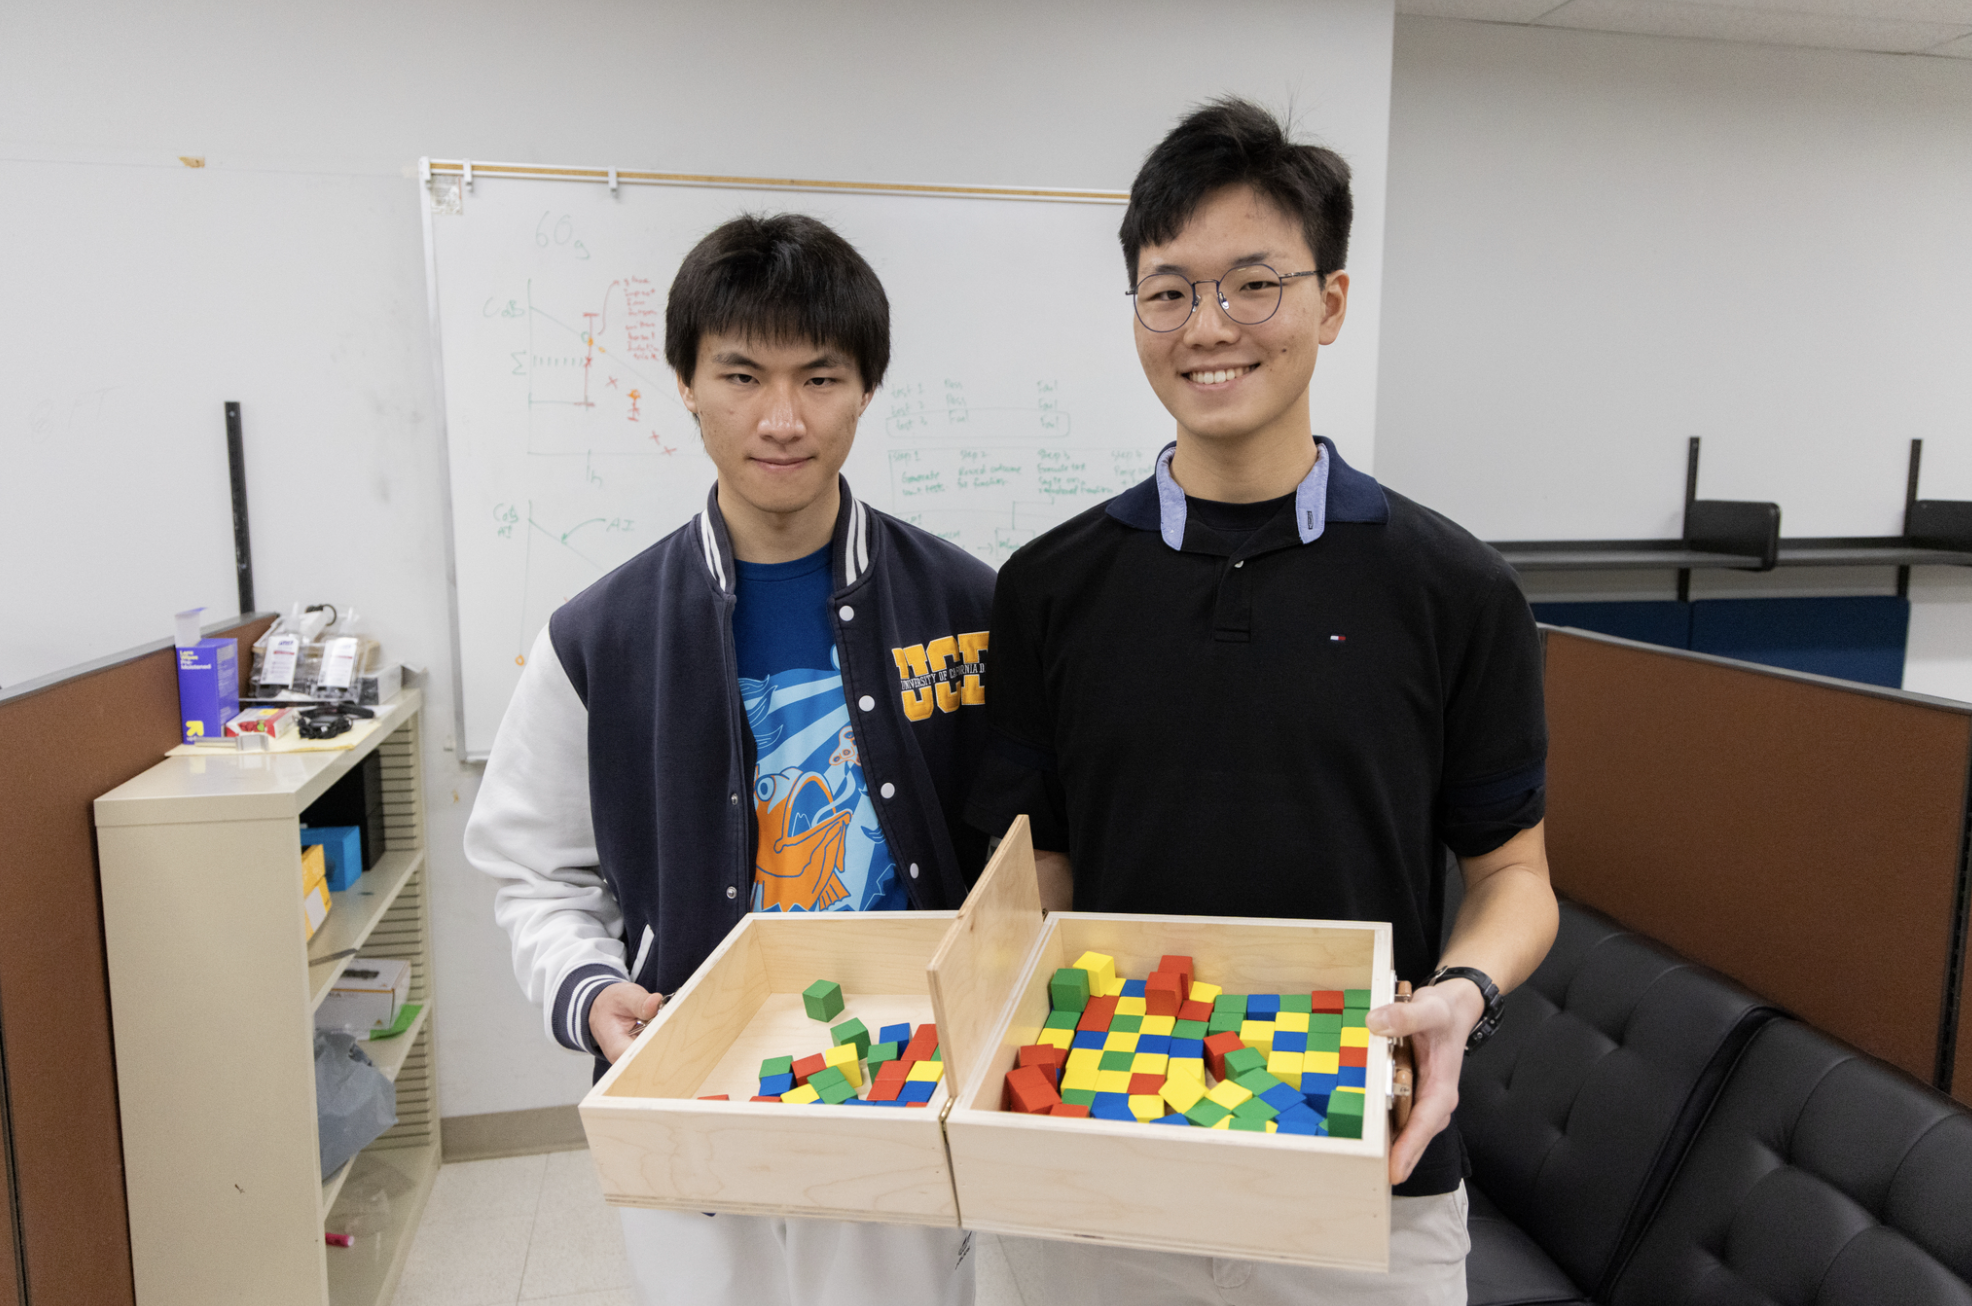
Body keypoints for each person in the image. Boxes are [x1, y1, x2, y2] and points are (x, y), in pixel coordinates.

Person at [966, 97, 1557, 1303]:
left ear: (1330, 302)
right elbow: (1048, 876)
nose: (1208, 326)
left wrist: (1460, 994)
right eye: (1169, 290)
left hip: (1365, 1170)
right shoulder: (1047, 587)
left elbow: (1513, 877)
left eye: (1253, 284)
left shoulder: (1455, 587)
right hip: (1099, 1161)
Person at [467, 212, 992, 1306]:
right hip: (691, 1085)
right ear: (686, 382)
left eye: (822, 377)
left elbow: (1021, 849)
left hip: (908, 1087)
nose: (783, 419)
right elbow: (532, 866)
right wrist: (591, 988)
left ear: (866, 389)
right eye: (743, 375)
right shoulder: (598, 634)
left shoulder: (969, 608)